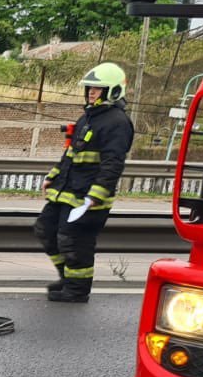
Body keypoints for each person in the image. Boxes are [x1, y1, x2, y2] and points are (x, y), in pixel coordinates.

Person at [34, 61, 134, 303]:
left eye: (97, 89)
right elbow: (71, 154)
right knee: (45, 230)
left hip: (88, 200)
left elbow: (112, 165)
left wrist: (94, 196)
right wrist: (53, 176)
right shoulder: (87, 118)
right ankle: (68, 279)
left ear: (113, 91)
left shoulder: (117, 123)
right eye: (90, 88)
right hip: (67, 192)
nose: (91, 92)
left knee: (74, 241)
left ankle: (77, 290)